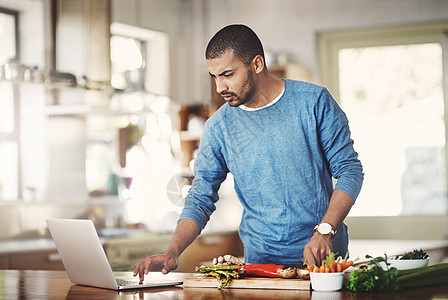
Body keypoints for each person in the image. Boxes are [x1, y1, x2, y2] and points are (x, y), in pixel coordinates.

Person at [133, 24, 363, 281]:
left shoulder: (313, 102)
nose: (220, 87)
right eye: (214, 76)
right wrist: (172, 251)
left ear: (256, 64)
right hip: (260, 266)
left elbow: (350, 171)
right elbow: (200, 197)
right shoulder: (219, 127)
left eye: (228, 74)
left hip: (325, 261)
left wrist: (325, 231)